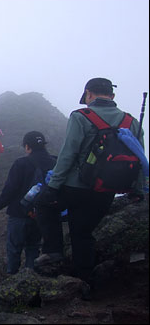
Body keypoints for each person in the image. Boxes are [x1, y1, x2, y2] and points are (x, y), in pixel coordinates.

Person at [34, 77, 145, 300]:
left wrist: (53, 186)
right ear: (111, 97)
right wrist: (138, 188)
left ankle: (54, 252)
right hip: (107, 190)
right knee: (83, 234)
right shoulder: (131, 121)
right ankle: (85, 283)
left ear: (88, 94)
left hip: (76, 186)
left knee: (42, 204)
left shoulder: (81, 117)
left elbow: (68, 154)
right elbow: (139, 155)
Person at [0, 131, 57, 274]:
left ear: (27, 147)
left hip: (19, 213)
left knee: (14, 247)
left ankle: (12, 275)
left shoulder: (21, 163)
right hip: (42, 214)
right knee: (33, 246)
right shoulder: (54, 162)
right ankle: (30, 276)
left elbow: (10, 191)